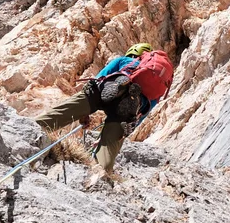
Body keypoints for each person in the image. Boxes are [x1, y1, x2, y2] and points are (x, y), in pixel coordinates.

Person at [34, 42, 175, 173]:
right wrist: (128, 127)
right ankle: (101, 172)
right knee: (108, 151)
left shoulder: (125, 61)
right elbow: (143, 113)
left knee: (84, 99)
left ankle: (36, 128)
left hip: (104, 89)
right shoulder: (156, 88)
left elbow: (98, 79)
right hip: (128, 112)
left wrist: (84, 111)